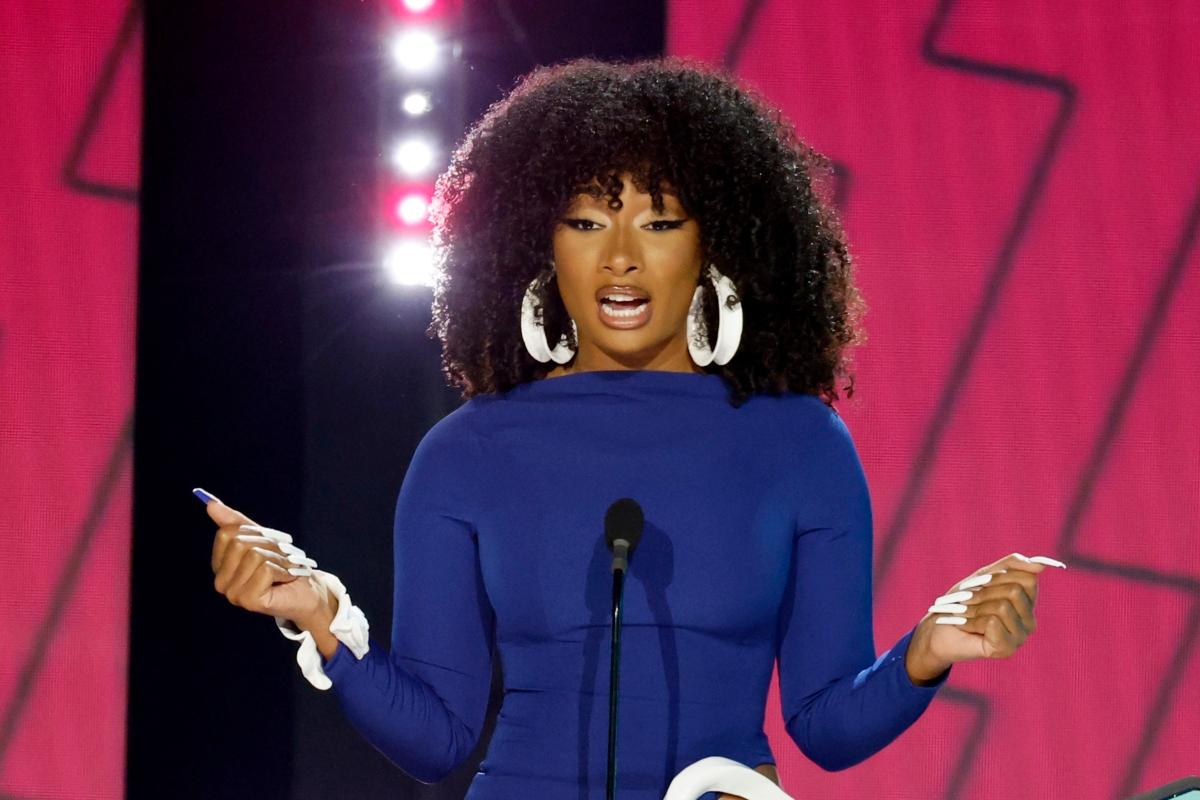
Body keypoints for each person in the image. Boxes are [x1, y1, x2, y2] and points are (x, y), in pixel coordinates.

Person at [202, 56, 1064, 799]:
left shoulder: (799, 443)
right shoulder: (467, 451)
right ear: (537, 247)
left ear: (715, 245)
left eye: (658, 221)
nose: (620, 255)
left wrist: (928, 651)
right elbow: (437, 736)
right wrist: (322, 619)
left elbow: (826, 726)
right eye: (585, 221)